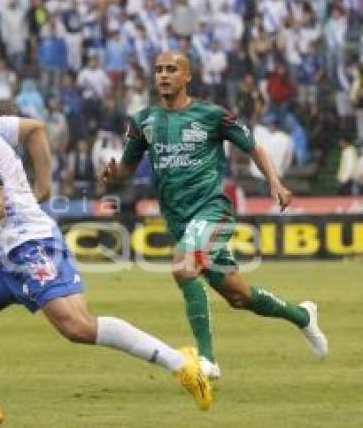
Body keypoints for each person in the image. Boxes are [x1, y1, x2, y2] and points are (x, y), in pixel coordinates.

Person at [0, 77, 211, 428]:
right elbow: (35, 129)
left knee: (78, 327)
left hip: (30, 244)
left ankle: (180, 363)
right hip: (4, 253)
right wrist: (44, 184)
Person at [101, 52, 328, 380]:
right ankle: (302, 315)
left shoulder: (211, 115)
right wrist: (113, 172)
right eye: (159, 70)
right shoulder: (143, 121)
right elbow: (127, 166)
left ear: (187, 76)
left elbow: (254, 148)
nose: (163, 75)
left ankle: (207, 359)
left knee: (182, 268)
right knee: (239, 296)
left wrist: (276, 183)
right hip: (180, 220)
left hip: (211, 210)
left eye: (171, 69)